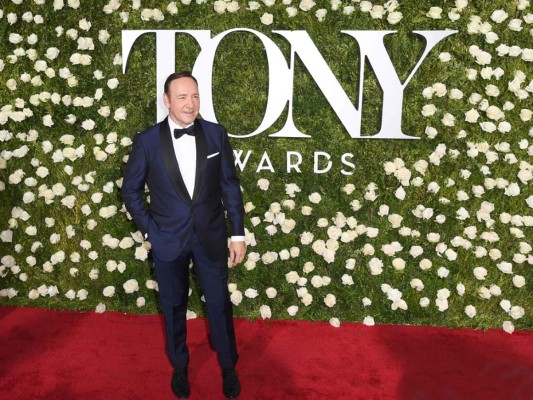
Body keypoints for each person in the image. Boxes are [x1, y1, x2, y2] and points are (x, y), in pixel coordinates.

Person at [122, 71, 246, 399]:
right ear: (166, 101)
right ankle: (180, 365)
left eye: (194, 96)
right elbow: (130, 190)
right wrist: (151, 230)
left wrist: (237, 234)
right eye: (182, 97)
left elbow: (229, 186)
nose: (190, 104)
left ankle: (229, 366)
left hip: (210, 237)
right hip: (167, 240)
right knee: (174, 305)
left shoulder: (216, 135)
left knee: (219, 304)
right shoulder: (147, 141)